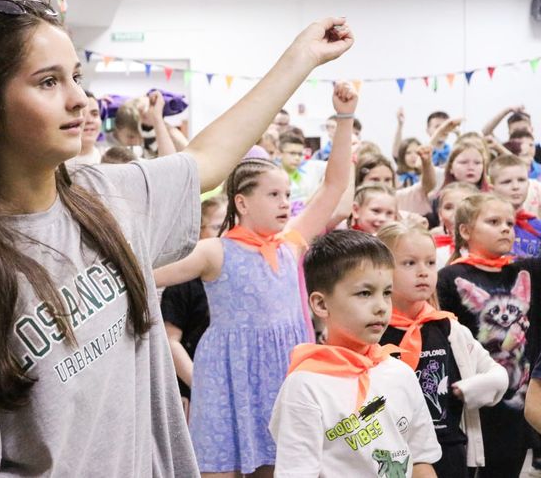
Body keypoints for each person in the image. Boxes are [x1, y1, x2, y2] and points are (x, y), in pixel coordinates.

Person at [0, 0, 355, 476]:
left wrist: (302, 58)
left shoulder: (108, 196)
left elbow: (208, 160)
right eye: (48, 81)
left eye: (76, 76)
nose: (79, 99)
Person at [153, 81, 357, 477]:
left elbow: (333, 187)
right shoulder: (216, 251)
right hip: (228, 376)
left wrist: (344, 119)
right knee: (219, 469)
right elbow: (150, 272)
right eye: (274, 195)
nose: (285, 203)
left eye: (286, 195)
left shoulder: (291, 243)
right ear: (242, 202)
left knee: (280, 468)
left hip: (282, 371)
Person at [269, 229, 442, 477]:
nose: (381, 307)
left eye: (386, 293)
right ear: (320, 304)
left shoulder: (400, 372)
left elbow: (420, 461)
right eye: (364, 293)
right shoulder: (305, 386)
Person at [377, 223, 508, 477]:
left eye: (429, 262)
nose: (423, 272)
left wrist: (470, 388)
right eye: (409, 263)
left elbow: (498, 374)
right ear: (381, 270)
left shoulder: (449, 328)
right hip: (394, 451)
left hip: (447, 450)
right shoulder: (374, 331)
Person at [437, 194, 541, 478]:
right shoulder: (449, 277)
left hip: (521, 404)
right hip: (477, 403)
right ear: (466, 231)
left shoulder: (528, 270)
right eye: (493, 222)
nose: (506, 228)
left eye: (509, 222)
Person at [160, 196, 227, 421]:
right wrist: (201, 385)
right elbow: (171, 341)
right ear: (199, 232)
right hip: (193, 386)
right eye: (218, 226)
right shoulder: (183, 282)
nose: (224, 234)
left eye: (229, 225)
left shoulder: (234, 274)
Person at [488, 154, 541, 258]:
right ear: (491, 189)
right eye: (506, 182)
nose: (515, 187)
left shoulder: (537, 226)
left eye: (521, 180)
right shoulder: (485, 226)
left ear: (528, 184)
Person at [430, 182, 478, 269]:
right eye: (448, 207)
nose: (456, 213)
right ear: (440, 214)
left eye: (463, 207)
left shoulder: (493, 250)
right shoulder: (432, 252)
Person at [66, 90, 103, 167]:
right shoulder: (54, 166)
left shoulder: (109, 159)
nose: (89, 120)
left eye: (95, 114)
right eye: (82, 114)